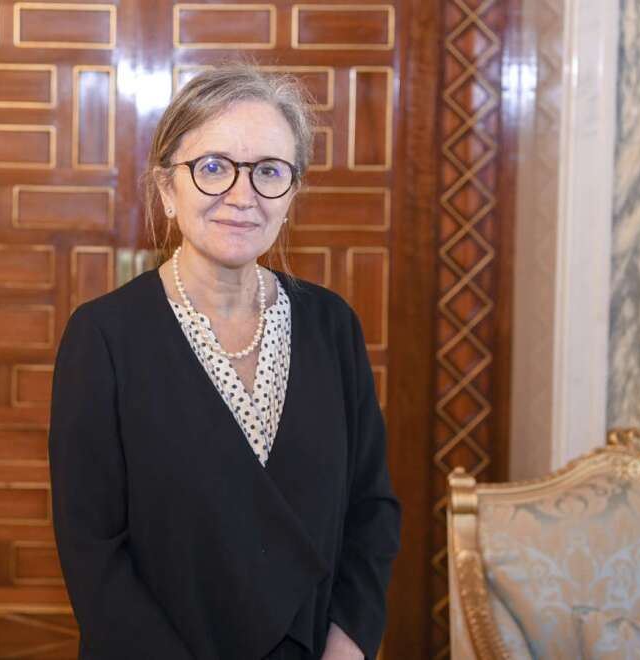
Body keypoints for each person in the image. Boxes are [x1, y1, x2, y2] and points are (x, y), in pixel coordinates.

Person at [48, 64, 402, 660]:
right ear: (167, 188)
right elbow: (93, 551)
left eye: (268, 172)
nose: (242, 197)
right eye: (213, 168)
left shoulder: (332, 327)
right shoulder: (104, 337)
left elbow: (372, 509)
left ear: (291, 194)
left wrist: (348, 643)